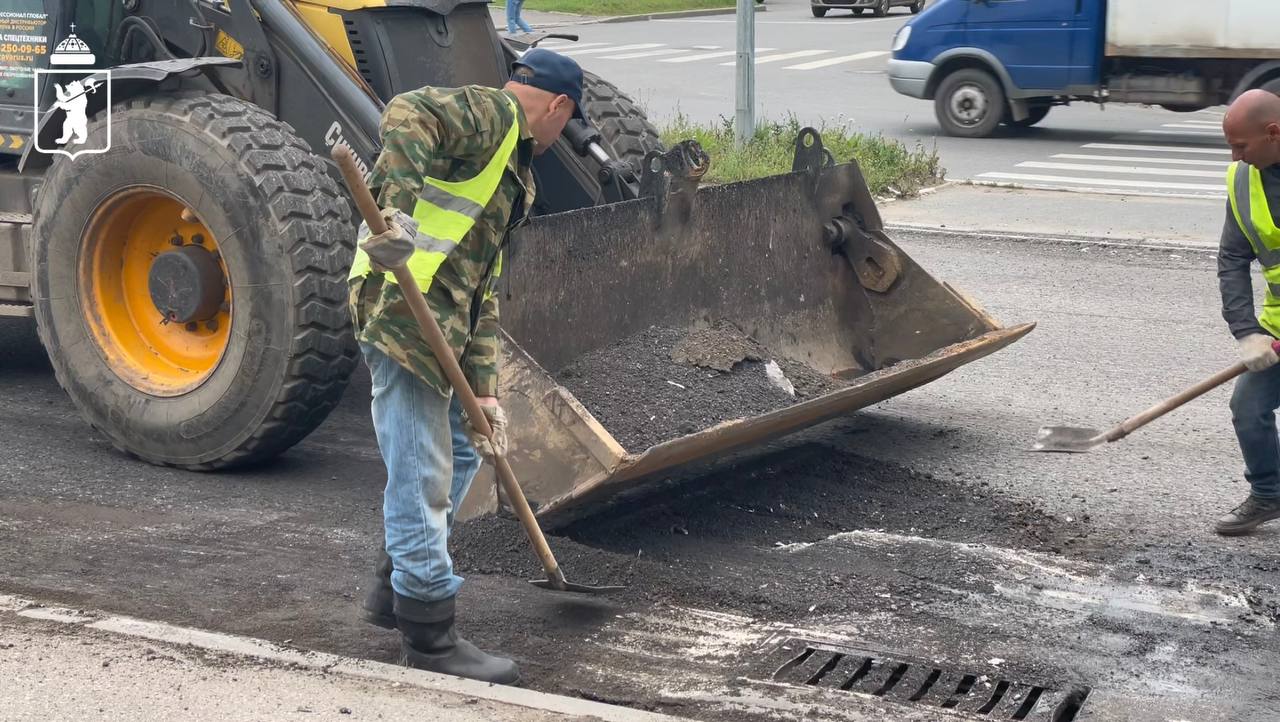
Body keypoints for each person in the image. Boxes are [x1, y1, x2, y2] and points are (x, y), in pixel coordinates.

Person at [350, 48, 584, 683]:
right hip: (401, 313)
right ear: (559, 106)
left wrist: (485, 392)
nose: (561, 135)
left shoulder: (513, 172)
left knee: (460, 449)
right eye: (569, 122)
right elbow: (407, 111)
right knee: (421, 474)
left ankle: (393, 584)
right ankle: (429, 634)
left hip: (443, 321)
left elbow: (483, 289)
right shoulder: (492, 115)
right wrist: (392, 212)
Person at [1217, 88, 1280, 536]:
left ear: (1273, 133)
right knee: (1248, 407)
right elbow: (1232, 260)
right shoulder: (1243, 181)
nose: (1236, 156)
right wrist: (1247, 332)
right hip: (1276, 327)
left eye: (1241, 146)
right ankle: (1268, 493)